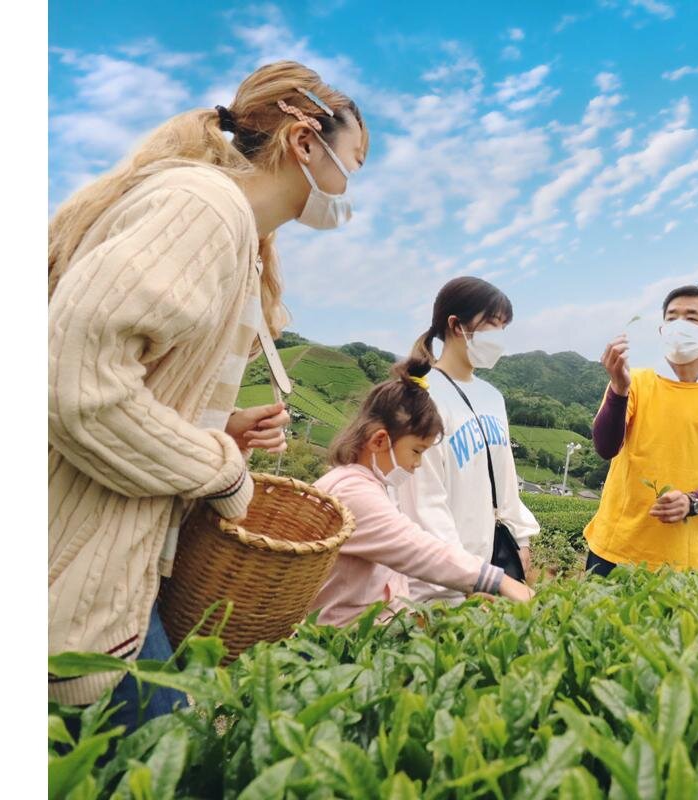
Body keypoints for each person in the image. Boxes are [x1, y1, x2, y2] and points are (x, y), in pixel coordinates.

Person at [48, 60, 367, 731]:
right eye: (354, 161)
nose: (351, 187)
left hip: (113, 572)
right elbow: (77, 386)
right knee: (178, 752)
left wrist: (221, 426)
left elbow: (131, 378)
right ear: (304, 140)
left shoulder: (232, 231)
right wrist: (219, 467)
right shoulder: (202, 209)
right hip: (77, 573)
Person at [310, 362, 534, 625]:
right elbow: (416, 549)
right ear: (379, 441)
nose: (417, 464)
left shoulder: (371, 485)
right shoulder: (351, 492)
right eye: (416, 451)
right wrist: (499, 581)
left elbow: (392, 578)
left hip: (371, 628)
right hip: (340, 640)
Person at [583, 285, 698, 575]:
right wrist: (618, 389)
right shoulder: (635, 382)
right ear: (662, 330)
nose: (680, 326)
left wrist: (693, 502)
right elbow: (605, 447)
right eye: (672, 318)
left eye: (692, 318)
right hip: (613, 548)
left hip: (678, 562)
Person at [394, 277, 539, 604]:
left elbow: (506, 481)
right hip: (442, 583)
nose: (498, 335)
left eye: (504, 326)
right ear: (456, 325)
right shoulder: (420, 396)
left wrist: (522, 540)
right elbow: (423, 503)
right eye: (491, 322)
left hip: (496, 567)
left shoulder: (493, 398)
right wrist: (470, 578)